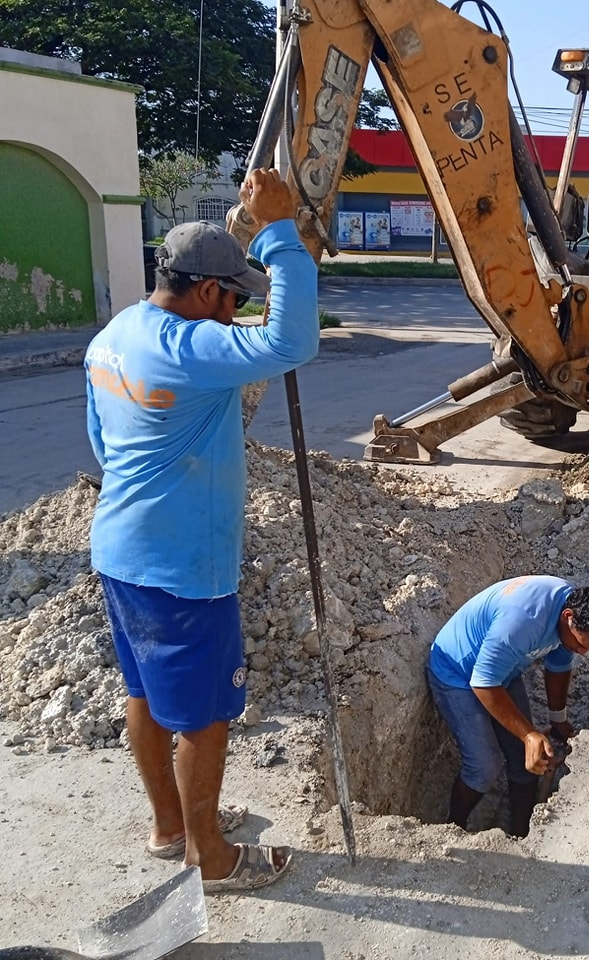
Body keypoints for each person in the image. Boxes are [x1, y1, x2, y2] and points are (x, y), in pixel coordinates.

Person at [84, 169, 318, 894]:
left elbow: (100, 443)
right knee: (206, 716)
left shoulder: (114, 335)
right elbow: (293, 342)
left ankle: (170, 827)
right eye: (236, 297)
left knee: (147, 694)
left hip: (120, 551)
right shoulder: (193, 349)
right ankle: (209, 857)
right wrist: (278, 231)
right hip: (182, 567)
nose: (235, 311)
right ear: (210, 292)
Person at [426, 576, 589, 838]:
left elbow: (558, 666)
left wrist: (557, 720)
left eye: (587, 648)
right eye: (580, 643)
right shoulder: (523, 621)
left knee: (530, 760)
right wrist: (529, 735)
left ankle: (521, 834)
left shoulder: (571, 616)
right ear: (568, 616)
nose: (581, 652)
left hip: (502, 673)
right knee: (485, 767)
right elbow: (484, 683)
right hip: (456, 673)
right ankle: (453, 829)